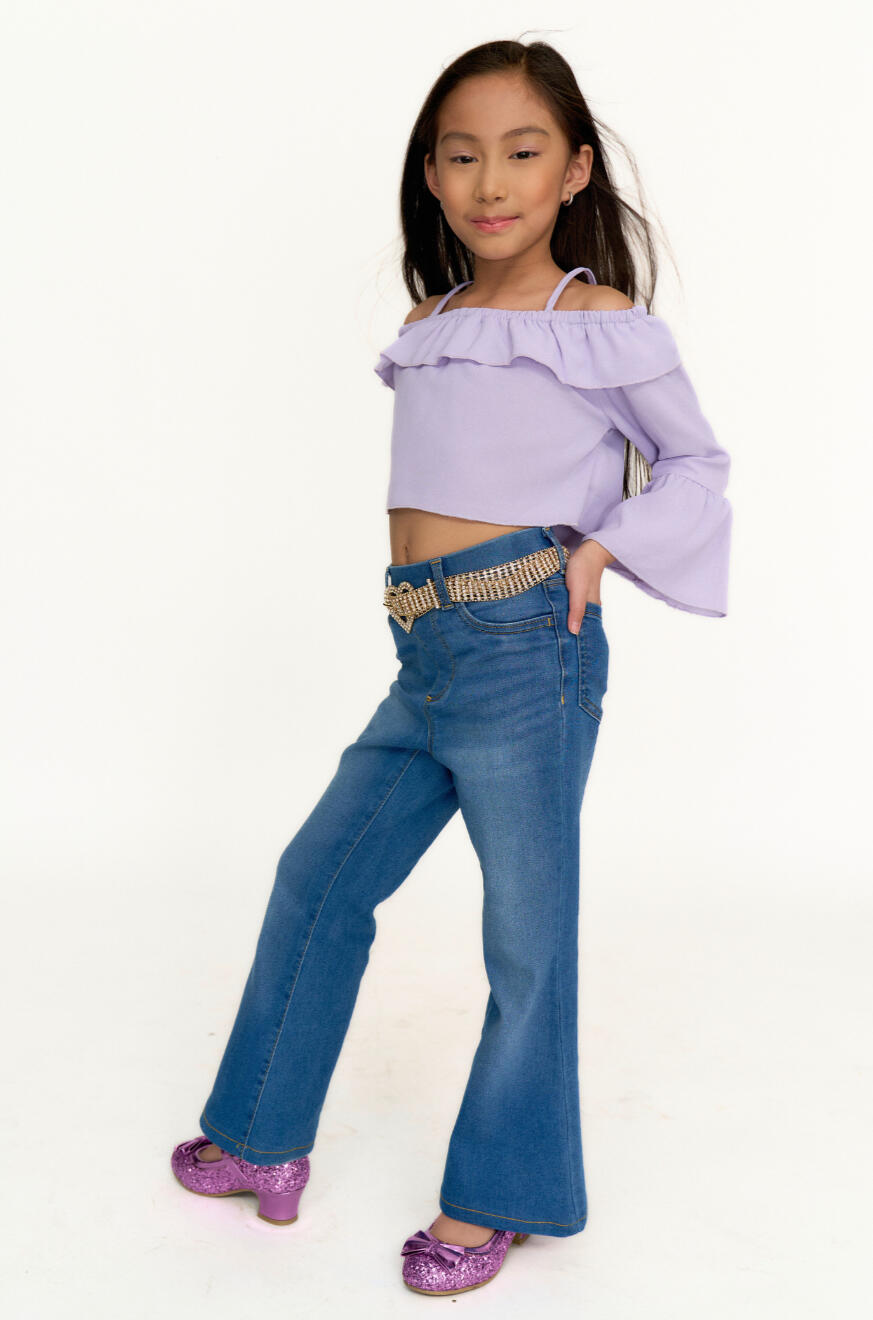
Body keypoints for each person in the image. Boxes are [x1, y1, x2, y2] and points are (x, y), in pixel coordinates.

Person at [171, 38, 732, 1298]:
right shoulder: (430, 324)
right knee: (319, 877)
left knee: (526, 938)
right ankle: (261, 1135)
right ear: (430, 174)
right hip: (420, 651)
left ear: (574, 170)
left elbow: (698, 464)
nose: (492, 181)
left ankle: (501, 1194)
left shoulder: (597, 323)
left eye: (523, 152)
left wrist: (604, 549)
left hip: (529, 651)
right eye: (463, 155)